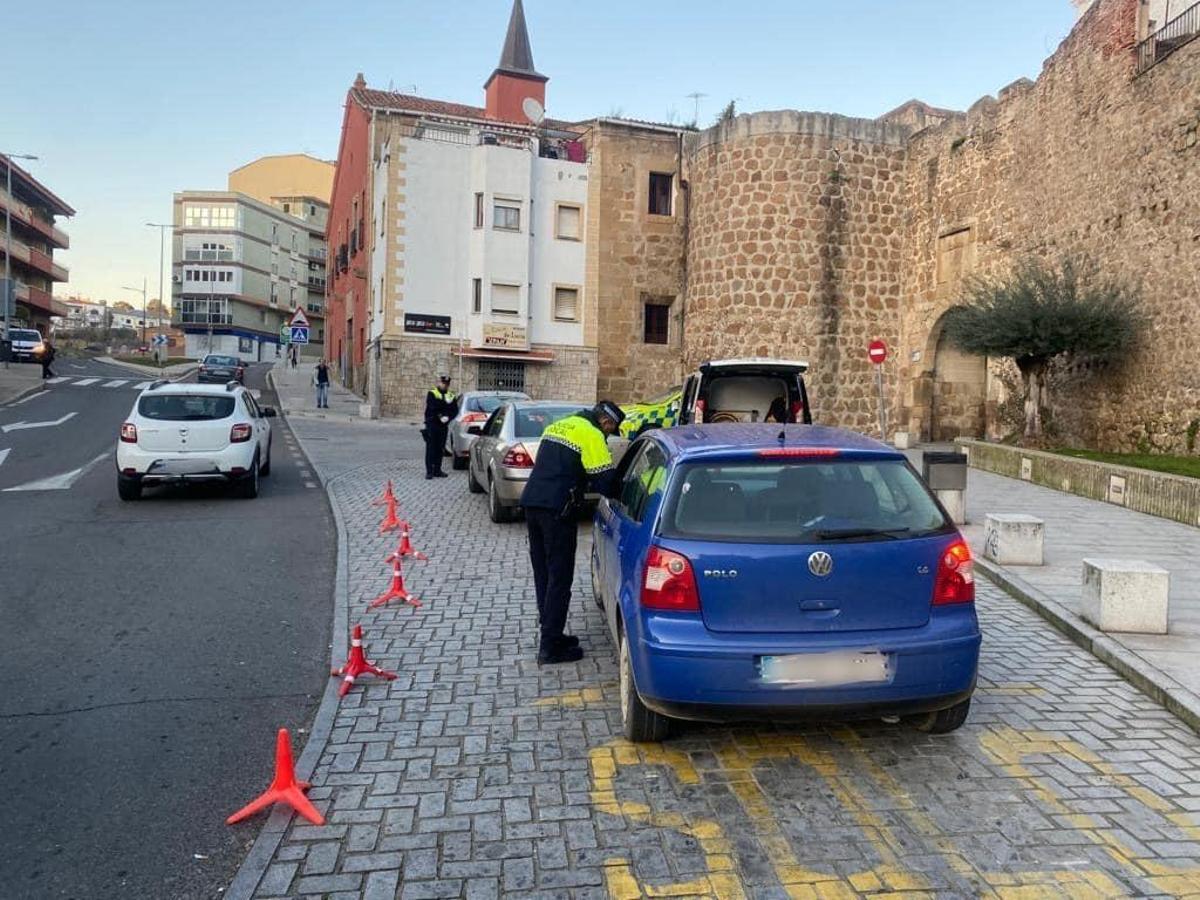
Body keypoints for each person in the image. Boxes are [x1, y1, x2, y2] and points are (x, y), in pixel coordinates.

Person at [521, 400, 624, 665]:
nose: (608, 435)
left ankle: (551, 633)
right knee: (559, 576)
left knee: (543, 573)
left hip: (532, 504)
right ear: (606, 422)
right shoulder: (591, 434)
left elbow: (554, 466)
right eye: (610, 431)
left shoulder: (559, 426)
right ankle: (550, 648)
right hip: (558, 511)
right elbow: (607, 484)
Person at [423, 374, 458, 479]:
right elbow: (432, 407)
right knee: (431, 448)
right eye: (443, 383)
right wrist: (441, 416)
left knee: (440, 448)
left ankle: (437, 470)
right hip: (432, 424)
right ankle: (429, 471)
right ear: (439, 383)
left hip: (443, 426)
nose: (445, 386)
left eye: (447, 384)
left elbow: (454, 410)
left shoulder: (451, 395)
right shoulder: (432, 393)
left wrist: (449, 418)